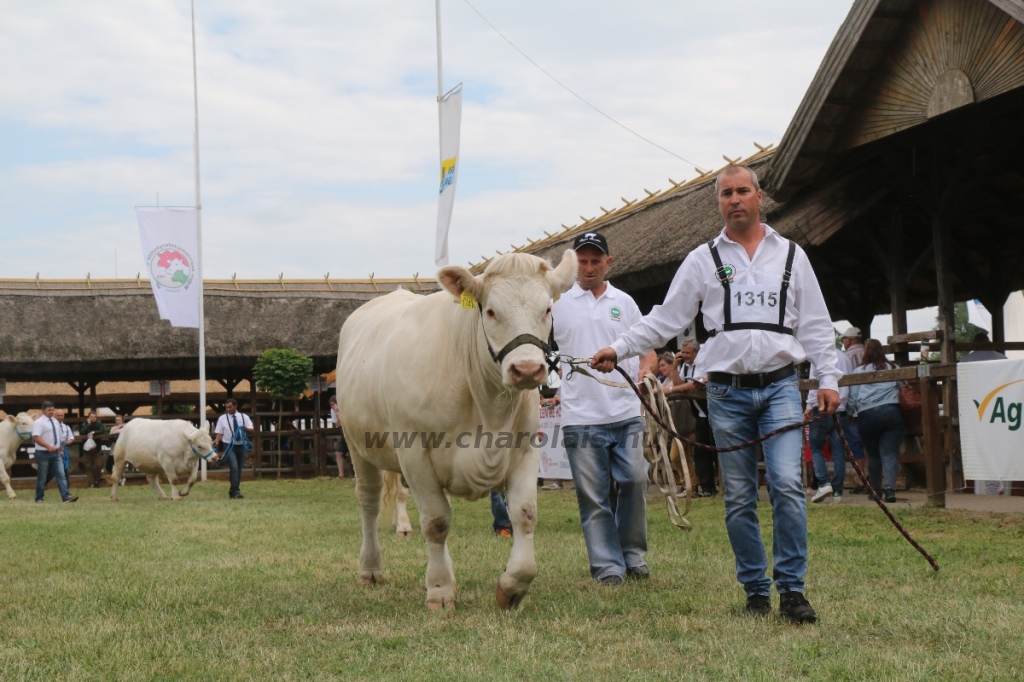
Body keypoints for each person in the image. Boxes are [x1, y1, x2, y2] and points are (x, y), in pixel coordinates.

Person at [591, 165, 841, 623]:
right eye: (726, 193)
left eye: (742, 191)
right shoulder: (702, 259)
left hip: (781, 386)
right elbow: (665, 319)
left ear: (759, 196)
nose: (735, 199)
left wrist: (828, 378)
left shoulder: (790, 256)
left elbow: (817, 325)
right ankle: (755, 591)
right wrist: (619, 346)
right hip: (725, 392)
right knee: (740, 495)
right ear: (719, 202)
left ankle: (792, 590)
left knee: (787, 484)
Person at [553, 231, 656, 586]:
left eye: (596, 260)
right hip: (581, 416)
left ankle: (632, 555)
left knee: (635, 480)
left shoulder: (624, 302)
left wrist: (646, 370)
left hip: (626, 411)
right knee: (594, 496)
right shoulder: (557, 303)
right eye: (582, 260)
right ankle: (608, 568)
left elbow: (648, 346)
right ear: (573, 264)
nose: (589, 267)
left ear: (608, 262)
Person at [847, 340, 906, 504]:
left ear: (865, 353)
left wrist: (850, 413)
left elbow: (853, 396)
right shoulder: (894, 368)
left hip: (868, 414)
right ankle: (890, 489)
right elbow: (904, 386)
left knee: (873, 455)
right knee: (889, 453)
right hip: (891, 412)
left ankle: (876, 490)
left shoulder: (859, 371)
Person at [804, 350, 854, 503]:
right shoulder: (845, 358)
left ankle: (824, 482)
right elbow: (851, 383)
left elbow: (814, 383)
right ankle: (837, 492)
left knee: (815, 447)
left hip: (822, 406)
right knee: (839, 451)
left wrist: (808, 405)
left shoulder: (818, 355)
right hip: (841, 407)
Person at [671, 339, 718, 497]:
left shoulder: (703, 363)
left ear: (697, 353)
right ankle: (707, 488)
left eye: (687, 353)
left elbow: (692, 386)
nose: (684, 356)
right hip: (699, 414)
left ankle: (726, 486)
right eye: (682, 353)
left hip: (713, 412)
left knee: (717, 451)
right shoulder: (685, 365)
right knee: (700, 452)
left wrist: (667, 390)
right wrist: (674, 367)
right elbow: (680, 386)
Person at [31, 401, 78, 503]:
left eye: (52, 410)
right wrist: (48, 446)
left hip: (56, 453)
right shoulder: (39, 423)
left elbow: (59, 437)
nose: (51, 412)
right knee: (42, 476)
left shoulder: (56, 422)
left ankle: (66, 496)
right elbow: (36, 437)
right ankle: (39, 497)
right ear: (43, 411)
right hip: (43, 453)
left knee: (61, 475)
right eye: (49, 410)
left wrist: (60, 449)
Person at [213, 399, 254, 499]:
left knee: (239, 469)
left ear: (236, 406)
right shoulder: (222, 418)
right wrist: (217, 440)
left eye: (230, 407)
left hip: (241, 445)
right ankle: (236, 491)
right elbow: (220, 433)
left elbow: (252, 430)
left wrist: (244, 428)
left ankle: (233, 490)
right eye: (226, 407)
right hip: (229, 445)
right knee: (234, 467)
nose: (228, 409)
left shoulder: (244, 417)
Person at [80, 410, 106, 488]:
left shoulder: (99, 423)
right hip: (87, 450)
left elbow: (102, 430)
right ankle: (90, 483)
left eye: (95, 417)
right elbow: (82, 431)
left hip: (97, 449)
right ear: (88, 417)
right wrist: (88, 424)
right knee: (89, 466)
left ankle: (97, 480)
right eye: (91, 417)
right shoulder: (84, 424)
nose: (93, 418)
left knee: (98, 465)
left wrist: (93, 432)